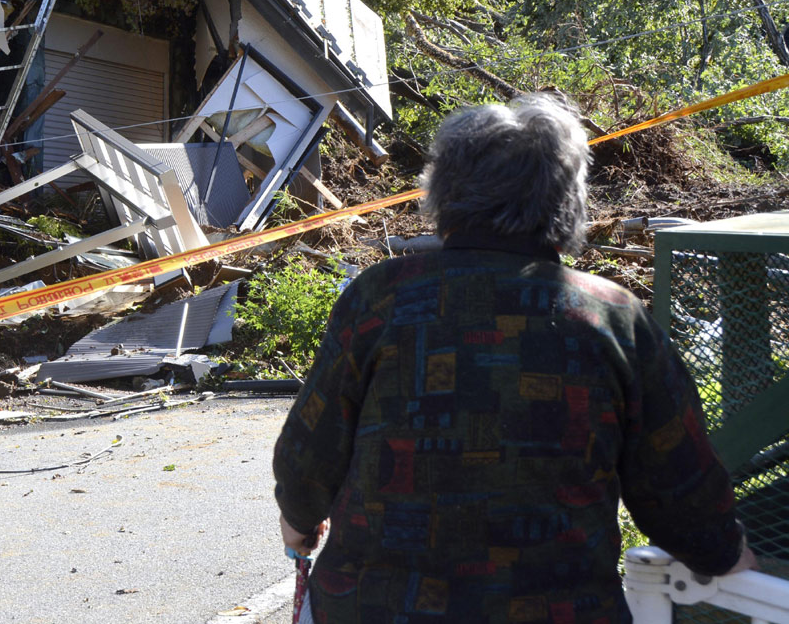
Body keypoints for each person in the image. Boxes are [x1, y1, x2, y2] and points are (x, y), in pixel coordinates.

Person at [272, 93, 754, 624]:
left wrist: (299, 516)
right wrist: (723, 553)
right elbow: (675, 475)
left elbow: (311, 445)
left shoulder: (381, 297)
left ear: (444, 194)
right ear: (569, 201)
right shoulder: (612, 315)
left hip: (374, 608)